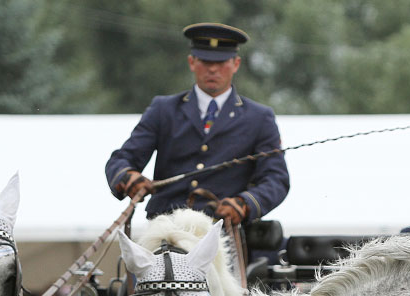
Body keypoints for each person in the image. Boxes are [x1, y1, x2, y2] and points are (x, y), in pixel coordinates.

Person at [105, 22, 290, 228]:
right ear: (192, 62)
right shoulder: (163, 109)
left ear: (236, 64)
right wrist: (128, 176)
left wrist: (244, 203)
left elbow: (276, 179)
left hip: (223, 230)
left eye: (221, 62)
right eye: (205, 60)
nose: (212, 68)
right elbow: (122, 159)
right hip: (166, 227)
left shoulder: (259, 117)